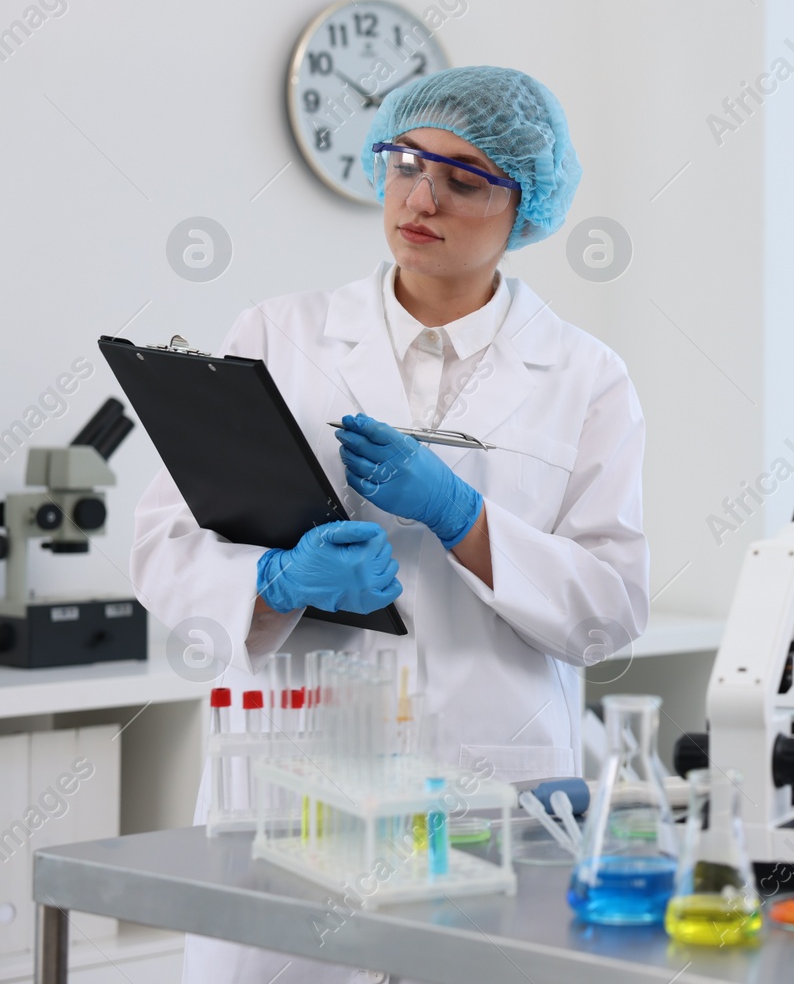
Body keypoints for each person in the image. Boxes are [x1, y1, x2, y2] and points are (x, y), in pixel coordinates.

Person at [130, 66, 648, 984]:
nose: (422, 195)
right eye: (407, 161)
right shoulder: (277, 336)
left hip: (491, 791)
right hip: (296, 787)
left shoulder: (584, 376)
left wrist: (463, 517)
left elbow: (608, 610)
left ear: (524, 205)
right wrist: (275, 581)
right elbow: (164, 542)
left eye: (464, 177)